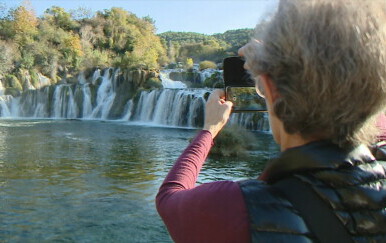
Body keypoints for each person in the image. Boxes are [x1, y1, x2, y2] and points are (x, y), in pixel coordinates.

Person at [156, 0, 386, 242]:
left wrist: (209, 131)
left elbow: (169, 197)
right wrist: (273, 72)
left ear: (270, 90)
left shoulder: (235, 206)